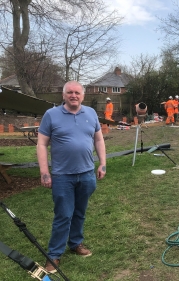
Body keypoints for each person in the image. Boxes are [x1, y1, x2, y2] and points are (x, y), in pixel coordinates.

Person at [37, 81, 107, 273]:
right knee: (63, 215)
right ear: (64, 95)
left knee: (79, 212)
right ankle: (54, 255)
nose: (73, 95)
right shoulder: (51, 115)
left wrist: (102, 163)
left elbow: (98, 139)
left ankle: (76, 243)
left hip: (86, 174)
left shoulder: (91, 113)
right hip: (62, 177)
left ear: (82, 95)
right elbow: (42, 144)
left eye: (77, 92)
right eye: (70, 92)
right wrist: (45, 172)